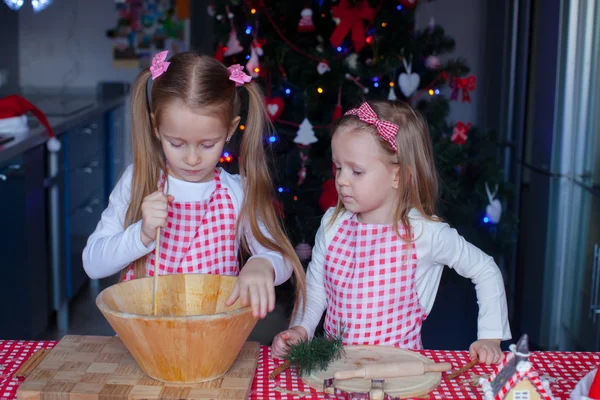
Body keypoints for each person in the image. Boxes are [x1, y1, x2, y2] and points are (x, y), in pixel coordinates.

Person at [272, 101, 510, 364]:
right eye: (338, 167)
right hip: (338, 372)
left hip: (399, 377)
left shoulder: (424, 234)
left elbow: (485, 269)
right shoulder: (333, 224)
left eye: (356, 171)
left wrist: (490, 336)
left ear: (398, 176)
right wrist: (300, 328)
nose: (341, 180)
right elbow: (317, 289)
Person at [83, 51, 305, 319]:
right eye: (176, 143)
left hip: (213, 345)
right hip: (145, 345)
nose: (191, 159)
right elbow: (92, 263)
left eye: (207, 144)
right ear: (155, 126)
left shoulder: (237, 192)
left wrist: (263, 263)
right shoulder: (138, 180)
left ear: (230, 130)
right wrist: (141, 234)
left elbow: (281, 258)